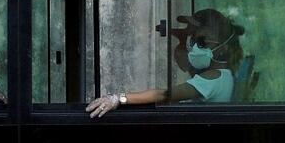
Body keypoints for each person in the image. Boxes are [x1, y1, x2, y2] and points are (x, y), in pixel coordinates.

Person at [86, 9, 244, 118]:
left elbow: (165, 95)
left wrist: (118, 99)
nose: (195, 47)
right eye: (193, 39)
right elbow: (183, 62)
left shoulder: (212, 79)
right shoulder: (225, 75)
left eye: (202, 42)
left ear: (223, 47)